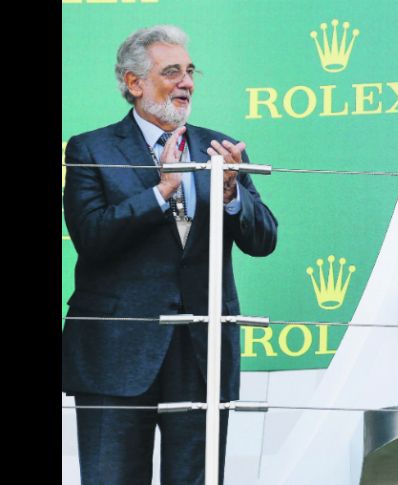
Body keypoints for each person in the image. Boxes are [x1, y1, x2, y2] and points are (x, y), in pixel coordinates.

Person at [62, 25, 278, 484]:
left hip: (201, 354)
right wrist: (161, 192)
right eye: (172, 72)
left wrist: (231, 195)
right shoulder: (90, 149)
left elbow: (264, 241)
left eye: (190, 71)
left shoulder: (219, 149)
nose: (187, 83)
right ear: (134, 83)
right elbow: (92, 236)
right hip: (115, 356)